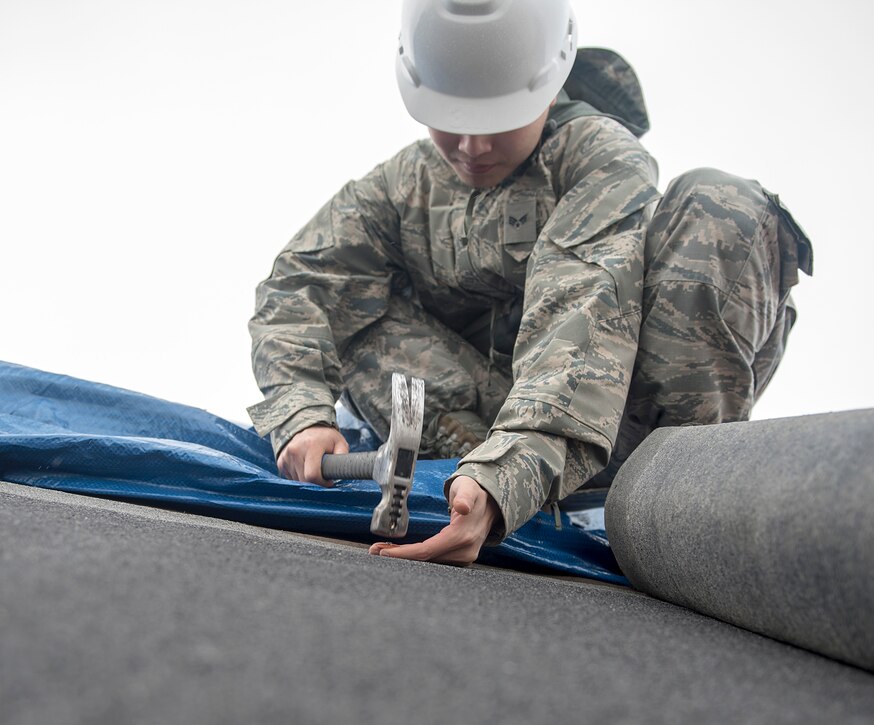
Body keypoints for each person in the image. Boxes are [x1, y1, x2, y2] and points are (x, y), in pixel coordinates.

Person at [247, 0, 813, 565]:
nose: (472, 149)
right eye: (452, 120)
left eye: (497, 120)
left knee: (722, 204)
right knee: (353, 305)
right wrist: (302, 416)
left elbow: (582, 309)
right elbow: (300, 284)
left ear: (551, 84)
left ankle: (680, 499)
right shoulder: (401, 186)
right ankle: (489, 495)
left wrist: (511, 472)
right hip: (477, 434)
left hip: (625, 430)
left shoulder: (595, 157)